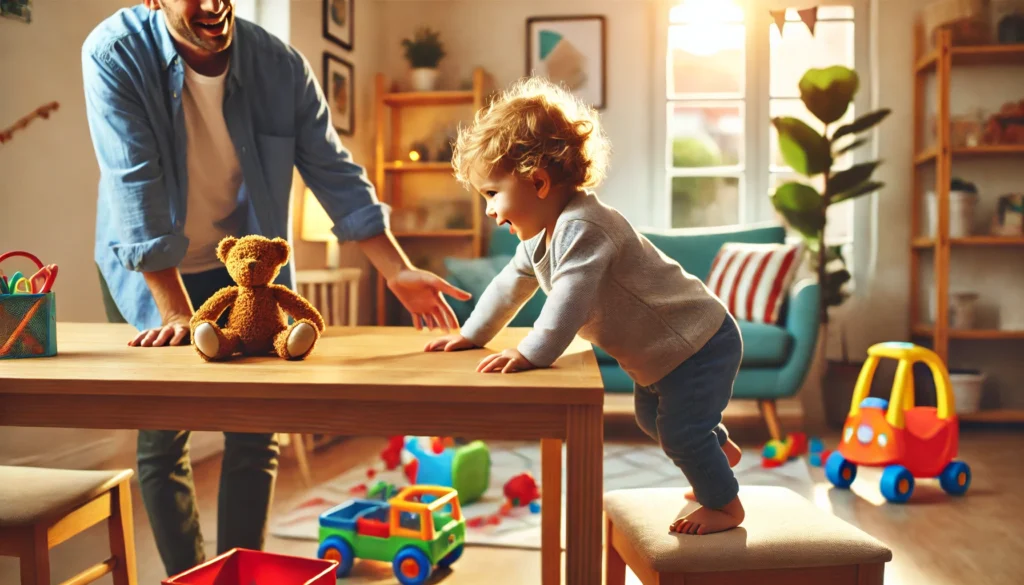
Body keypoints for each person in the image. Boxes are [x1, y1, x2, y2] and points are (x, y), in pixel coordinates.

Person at [82, 0, 469, 575]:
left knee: (256, 429)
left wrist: (396, 269)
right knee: (165, 435)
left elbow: (334, 171)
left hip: (242, 268)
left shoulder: (280, 66)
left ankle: (238, 573)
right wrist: (174, 313)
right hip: (148, 267)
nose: (214, 5)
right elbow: (133, 183)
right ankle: (188, 577)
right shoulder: (114, 53)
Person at [424, 77, 746, 536]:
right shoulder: (541, 236)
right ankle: (716, 455)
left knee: (679, 432)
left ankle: (725, 505)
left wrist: (532, 351)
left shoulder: (584, 226)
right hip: (667, 354)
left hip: (698, 342)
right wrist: (473, 333)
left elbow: (568, 301)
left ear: (537, 181)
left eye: (492, 194)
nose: (491, 213)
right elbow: (508, 284)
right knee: (651, 419)